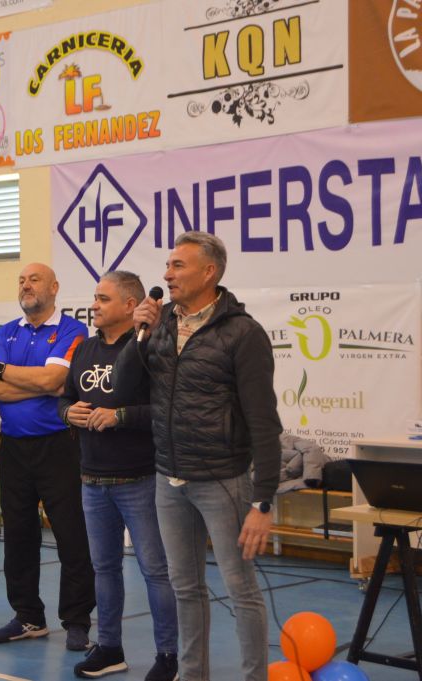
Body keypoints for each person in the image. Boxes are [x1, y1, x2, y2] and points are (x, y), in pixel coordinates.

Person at [113, 232, 282, 681]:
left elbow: (265, 423)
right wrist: (137, 334)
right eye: (168, 265)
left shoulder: (242, 333)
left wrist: (263, 502)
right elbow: (122, 386)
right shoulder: (160, 324)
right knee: (185, 588)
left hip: (222, 480)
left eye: (178, 266)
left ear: (209, 272)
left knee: (241, 590)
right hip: (169, 478)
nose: (167, 274)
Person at [59, 272, 178, 680]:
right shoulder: (85, 348)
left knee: (155, 570)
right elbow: (66, 398)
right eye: (94, 297)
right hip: (92, 479)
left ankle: (168, 656)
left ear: (130, 306)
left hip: (139, 480)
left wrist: (119, 416)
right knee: (104, 568)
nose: (94, 305)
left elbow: (164, 409)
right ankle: (109, 648)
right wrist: (68, 413)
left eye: (103, 299)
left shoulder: (149, 348)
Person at [0, 263, 96, 652]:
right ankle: (28, 616)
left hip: (58, 445)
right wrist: (38, 384)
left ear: (54, 287)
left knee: (71, 535)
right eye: (22, 280)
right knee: (18, 535)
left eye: (35, 280)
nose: (26, 285)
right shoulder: (5, 332)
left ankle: (77, 620)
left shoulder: (72, 331)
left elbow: (55, 381)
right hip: (13, 446)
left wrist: (4, 370)